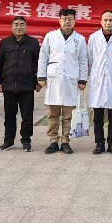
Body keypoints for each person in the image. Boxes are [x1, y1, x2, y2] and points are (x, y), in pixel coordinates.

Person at [37, 9, 88, 155]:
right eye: (64, 19)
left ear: (74, 21)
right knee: (52, 115)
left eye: (70, 19)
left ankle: (65, 141)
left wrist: (83, 79)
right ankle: (53, 141)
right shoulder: (51, 36)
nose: (67, 22)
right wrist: (41, 77)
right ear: (59, 21)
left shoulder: (80, 39)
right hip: (53, 80)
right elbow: (43, 57)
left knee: (68, 115)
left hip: (71, 81)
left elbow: (83, 60)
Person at [0, 16, 41, 153]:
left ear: (26, 27)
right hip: (8, 85)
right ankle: (8, 141)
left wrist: (37, 81)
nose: (18, 27)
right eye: (16, 24)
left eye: (21, 24)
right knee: (9, 115)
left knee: (27, 115)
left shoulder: (33, 43)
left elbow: (38, 63)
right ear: (12, 27)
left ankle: (26, 140)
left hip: (27, 85)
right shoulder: (5, 43)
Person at [87, 11, 112, 155]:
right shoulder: (94, 37)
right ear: (101, 21)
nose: (108, 22)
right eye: (105, 20)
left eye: (110, 20)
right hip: (97, 80)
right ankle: (99, 144)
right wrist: (94, 72)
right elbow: (90, 58)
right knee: (97, 117)